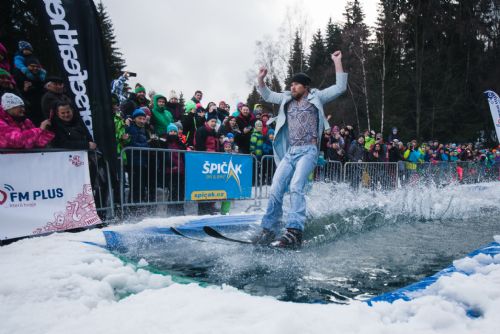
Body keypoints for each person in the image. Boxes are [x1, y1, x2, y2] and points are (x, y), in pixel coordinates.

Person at [251, 50, 347, 248]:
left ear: (305, 86)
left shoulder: (316, 97)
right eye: (291, 84)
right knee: (276, 187)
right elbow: (267, 94)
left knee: (296, 186)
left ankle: (295, 232)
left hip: (309, 151)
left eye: (295, 84)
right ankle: (269, 229)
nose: (292, 87)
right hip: (291, 152)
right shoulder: (286, 98)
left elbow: (339, 87)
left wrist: (337, 62)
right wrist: (261, 79)